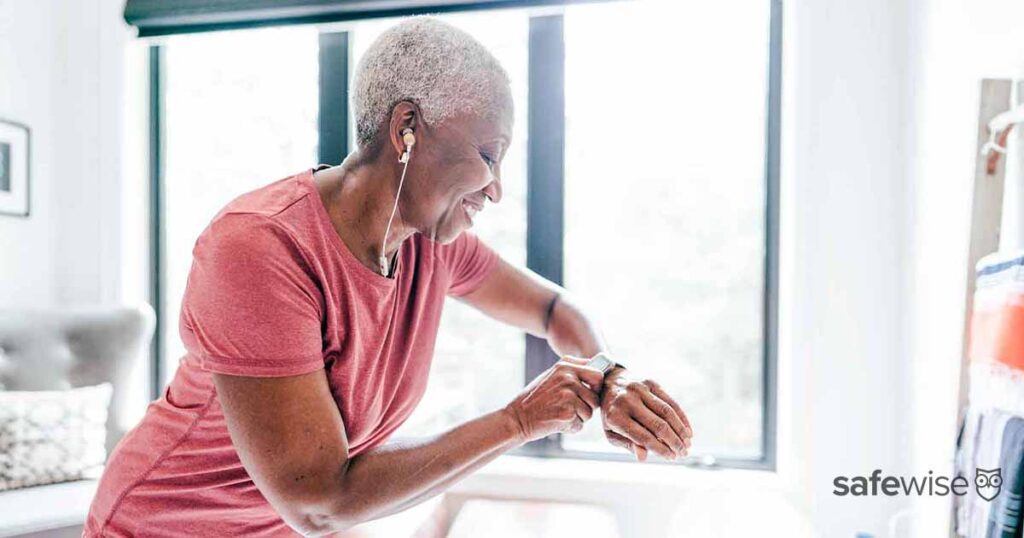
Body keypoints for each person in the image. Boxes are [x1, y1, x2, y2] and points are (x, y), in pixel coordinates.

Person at [84, 17, 693, 537]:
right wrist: (519, 420)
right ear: (407, 128)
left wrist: (609, 376)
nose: (498, 189)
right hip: (160, 523)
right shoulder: (259, 246)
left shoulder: (434, 247)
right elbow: (319, 500)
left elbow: (552, 309)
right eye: (487, 154)